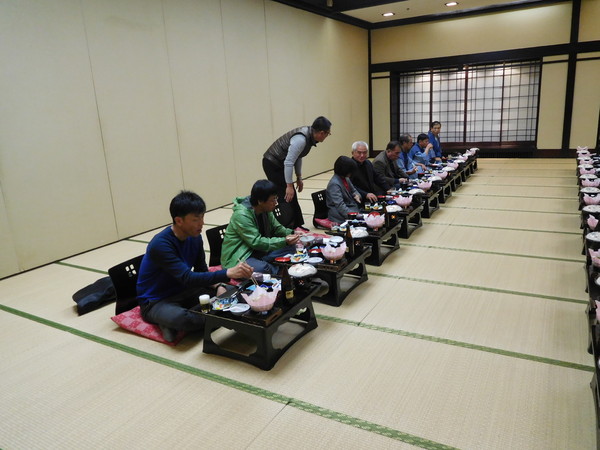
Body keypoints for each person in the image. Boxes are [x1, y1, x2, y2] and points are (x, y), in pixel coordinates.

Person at [136, 190, 253, 342]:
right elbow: (187, 277)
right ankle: (171, 320)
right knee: (182, 318)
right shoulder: (161, 244)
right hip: (156, 300)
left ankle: (193, 316)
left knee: (237, 293)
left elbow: (201, 271)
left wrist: (218, 286)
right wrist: (227, 273)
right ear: (179, 221)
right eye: (196, 219)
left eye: (202, 217)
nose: (202, 223)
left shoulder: (195, 237)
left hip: (185, 289)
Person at [262, 116, 332, 230]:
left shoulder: (309, 137)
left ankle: (297, 225)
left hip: (281, 163)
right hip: (272, 163)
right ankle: (289, 227)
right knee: (286, 195)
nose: (327, 136)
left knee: (291, 194)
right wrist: (289, 185)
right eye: (328, 134)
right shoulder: (301, 139)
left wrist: (299, 177)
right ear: (321, 133)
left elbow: (298, 156)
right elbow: (289, 162)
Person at [221, 179, 300, 275]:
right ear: (260, 201)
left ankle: (269, 265)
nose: (276, 203)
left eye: (276, 198)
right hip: (242, 255)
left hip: (260, 251)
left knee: (291, 246)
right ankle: (275, 269)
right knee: (263, 268)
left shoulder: (266, 209)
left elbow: (277, 228)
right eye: (272, 200)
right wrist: (284, 241)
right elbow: (256, 242)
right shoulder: (241, 215)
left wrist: (292, 233)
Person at [326, 156, 361, 224]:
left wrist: (357, 195)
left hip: (349, 206)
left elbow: (354, 190)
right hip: (338, 213)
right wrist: (353, 215)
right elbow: (340, 205)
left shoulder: (346, 179)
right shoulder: (334, 184)